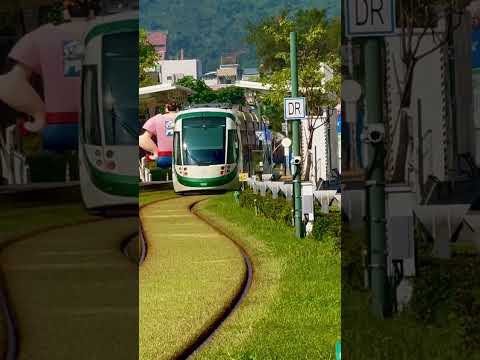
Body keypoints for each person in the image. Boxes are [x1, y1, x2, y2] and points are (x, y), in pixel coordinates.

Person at [0, 0, 97, 151]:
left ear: (65, 11)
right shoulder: (110, 32)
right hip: (106, 126)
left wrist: (38, 114)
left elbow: (8, 84)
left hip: (59, 126)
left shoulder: (41, 36)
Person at [139, 101, 179, 168]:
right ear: (178, 109)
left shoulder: (156, 118)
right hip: (186, 157)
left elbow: (142, 139)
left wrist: (156, 153)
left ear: (166, 109)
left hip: (164, 157)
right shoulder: (185, 118)